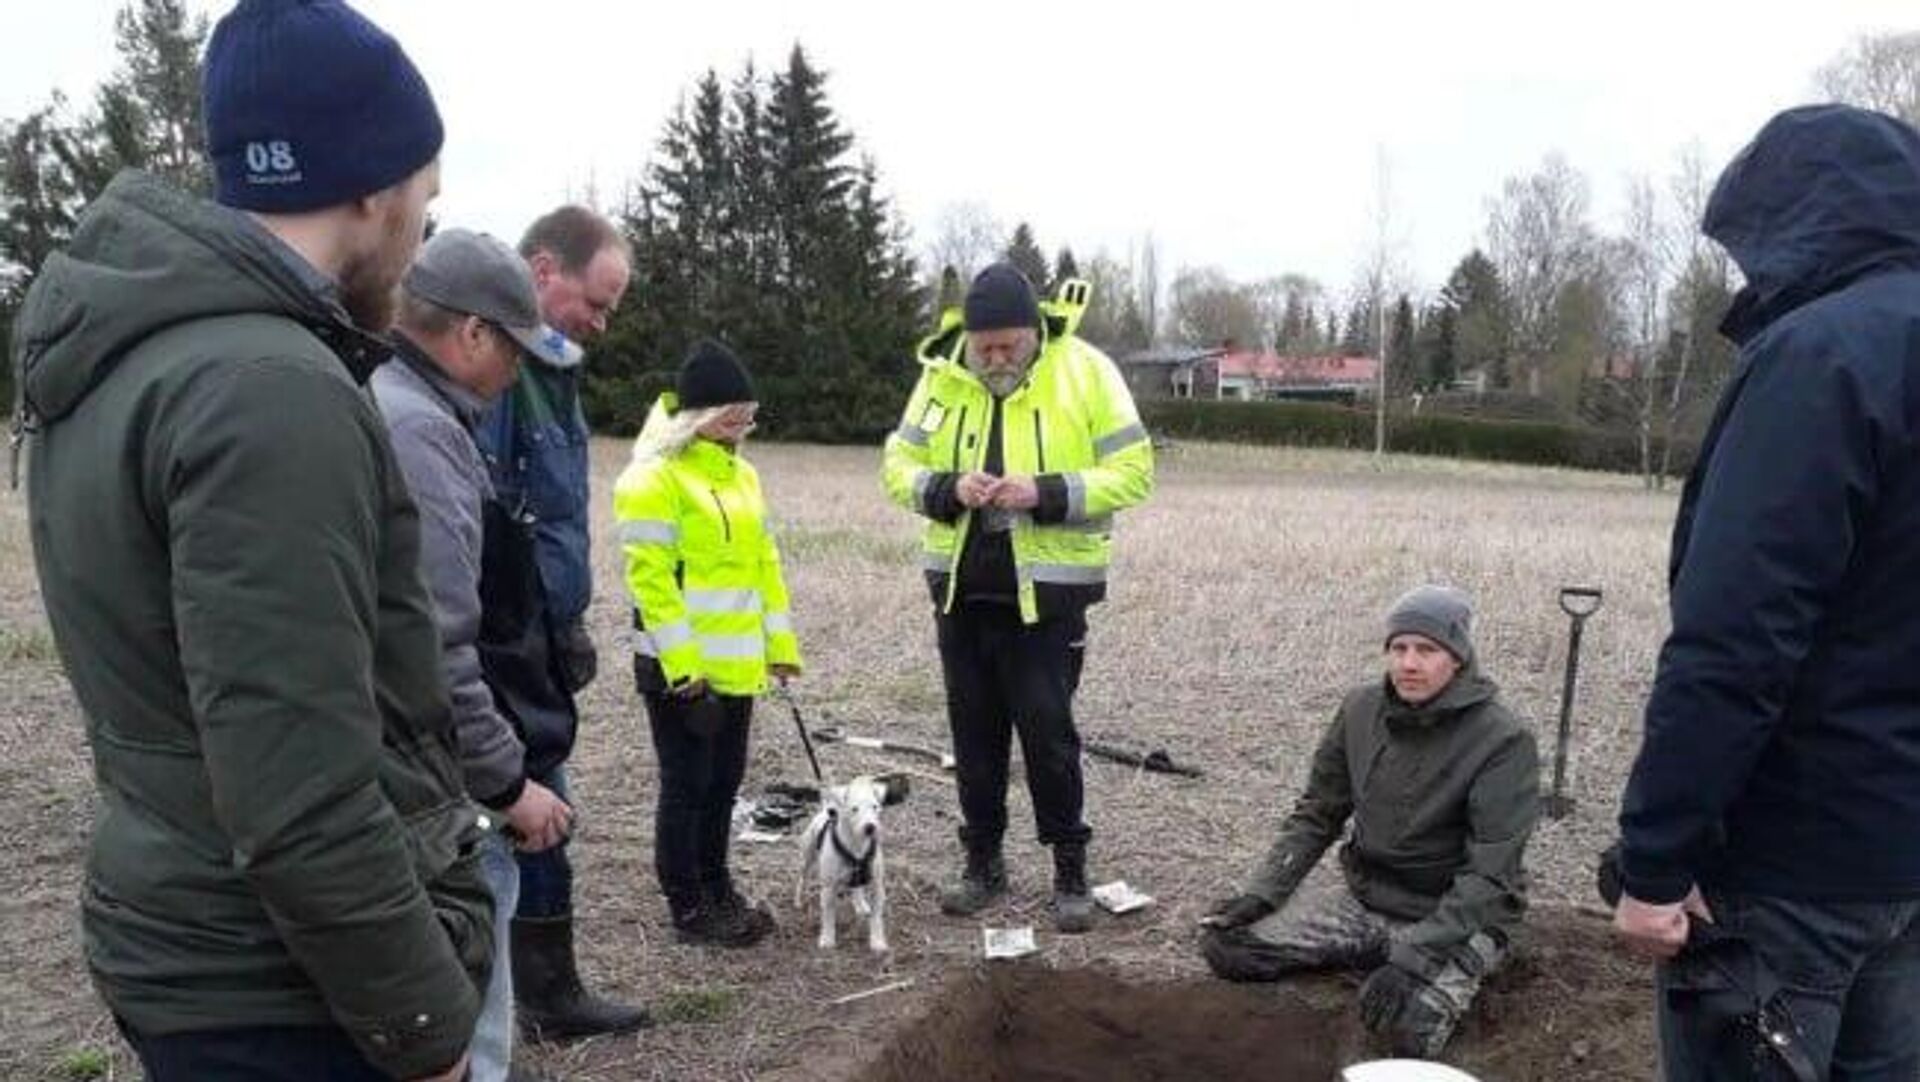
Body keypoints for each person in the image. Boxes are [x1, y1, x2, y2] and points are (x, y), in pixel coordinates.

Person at [10, 1, 484, 1079]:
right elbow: (297, 786)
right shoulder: (267, 389)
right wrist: (426, 1031)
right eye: (425, 196)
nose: (421, 232)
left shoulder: (144, 355)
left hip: (196, 949)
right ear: (371, 185)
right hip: (282, 995)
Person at [1612, 104, 1920, 1080]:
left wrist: (1656, 860)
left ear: (1800, 221)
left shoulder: (1823, 357)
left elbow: (1739, 636)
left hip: (1787, 872)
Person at [880, 263, 1154, 933]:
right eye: (986, 348)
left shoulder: (1087, 372)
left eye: (1009, 346)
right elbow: (896, 466)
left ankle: (1069, 870)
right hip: (961, 596)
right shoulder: (941, 377)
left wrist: (1047, 492)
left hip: (1049, 601)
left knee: (1048, 737)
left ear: (1035, 332)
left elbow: (1134, 470)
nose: (996, 360)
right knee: (973, 740)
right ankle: (983, 865)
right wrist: (947, 489)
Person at [374, 229, 581, 1082]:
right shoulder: (422, 436)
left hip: (405, 771)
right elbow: (434, 643)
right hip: (441, 790)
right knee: (472, 1017)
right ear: (471, 336)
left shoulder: (387, 400)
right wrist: (506, 784)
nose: (516, 374)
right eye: (515, 351)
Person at [1200, 587, 1538, 1058]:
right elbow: (1318, 812)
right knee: (1228, 947)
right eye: (1399, 648)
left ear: (1458, 658)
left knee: (1403, 1034)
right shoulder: (1359, 709)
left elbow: (1491, 873)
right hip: (1367, 897)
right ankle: (1376, 948)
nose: (1409, 664)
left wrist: (1418, 958)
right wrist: (1264, 892)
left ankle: (1448, 961)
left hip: (1451, 912)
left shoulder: (1504, 740)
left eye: (1427, 650)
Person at [473, 206, 644, 1039]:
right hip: (503, 643)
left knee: (544, 811)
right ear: (544, 271)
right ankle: (530, 996)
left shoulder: (554, 368)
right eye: (597, 301)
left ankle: (539, 990)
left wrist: (568, 621)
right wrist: (523, 635)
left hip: (542, 634)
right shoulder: (494, 372)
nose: (602, 324)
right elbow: (490, 519)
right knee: (528, 811)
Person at [611, 340, 802, 946]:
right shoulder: (652, 479)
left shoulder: (744, 476)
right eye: (733, 415)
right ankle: (688, 904)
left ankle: (719, 885)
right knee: (687, 784)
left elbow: (763, 566)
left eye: (749, 414)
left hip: (738, 665)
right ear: (700, 415)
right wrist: (684, 671)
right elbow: (652, 583)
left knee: (725, 783)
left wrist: (780, 646)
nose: (744, 426)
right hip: (681, 671)